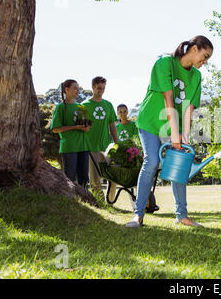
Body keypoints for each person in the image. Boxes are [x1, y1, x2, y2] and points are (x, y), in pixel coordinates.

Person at [126, 35, 213, 228]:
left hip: (175, 125)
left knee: (179, 164)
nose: (205, 62)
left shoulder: (197, 76)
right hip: (151, 122)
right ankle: (138, 215)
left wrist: (185, 137)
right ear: (194, 48)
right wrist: (175, 135)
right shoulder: (165, 62)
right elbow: (169, 100)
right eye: (205, 56)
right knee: (152, 162)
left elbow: (189, 108)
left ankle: (182, 215)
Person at [51, 79, 91, 188]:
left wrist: (86, 127)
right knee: (70, 178)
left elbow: (86, 129)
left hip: (84, 146)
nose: (77, 91)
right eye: (75, 88)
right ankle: (71, 201)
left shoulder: (81, 107)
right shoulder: (60, 107)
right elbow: (55, 129)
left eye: (78, 88)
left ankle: (85, 202)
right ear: (66, 89)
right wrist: (75, 127)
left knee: (84, 178)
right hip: (69, 147)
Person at [82, 76, 118, 194]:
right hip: (91, 147)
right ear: (93, 87)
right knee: (95, 179)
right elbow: (80, 128)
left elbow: (112, 125)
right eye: (98, 88)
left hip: (106, 147)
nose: (101, 90)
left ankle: (111, 200)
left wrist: (117, 143)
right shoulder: (83, 106)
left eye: (103, 88)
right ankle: (100, 203)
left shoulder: (108, 105)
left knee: (113, 176)